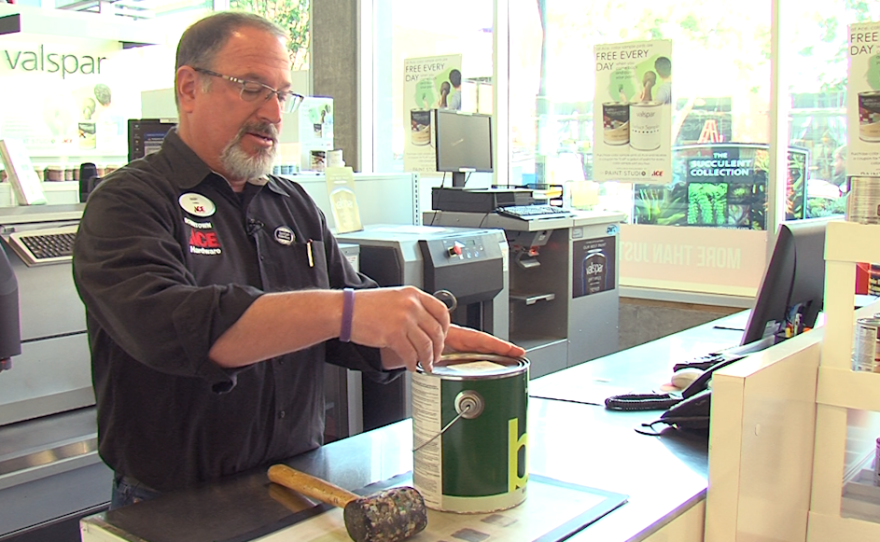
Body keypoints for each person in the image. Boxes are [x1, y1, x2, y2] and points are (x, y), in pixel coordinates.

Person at [72, 11, 525, 508]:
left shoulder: (289, 203)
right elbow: (178, 327)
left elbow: (357, 338)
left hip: (296, 485)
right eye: (251, 87)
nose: (272, 112)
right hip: (172, 504)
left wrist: (429, 337)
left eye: (282, 94)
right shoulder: (128, 204)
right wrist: (346, 310)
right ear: (188, 88)